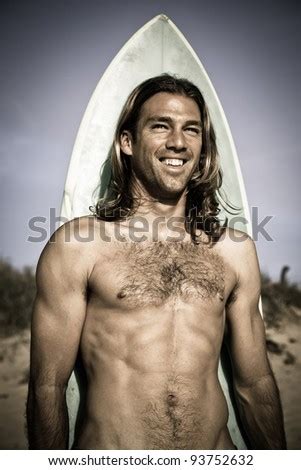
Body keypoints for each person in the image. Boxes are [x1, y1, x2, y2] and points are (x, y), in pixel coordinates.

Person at [27, 74, 286, 450]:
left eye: (191, 130)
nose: (178, 142)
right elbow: (46, 387)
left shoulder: (233, 250)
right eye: (161, 126)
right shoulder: (78, 246)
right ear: (128, 142)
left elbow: (255, 384)